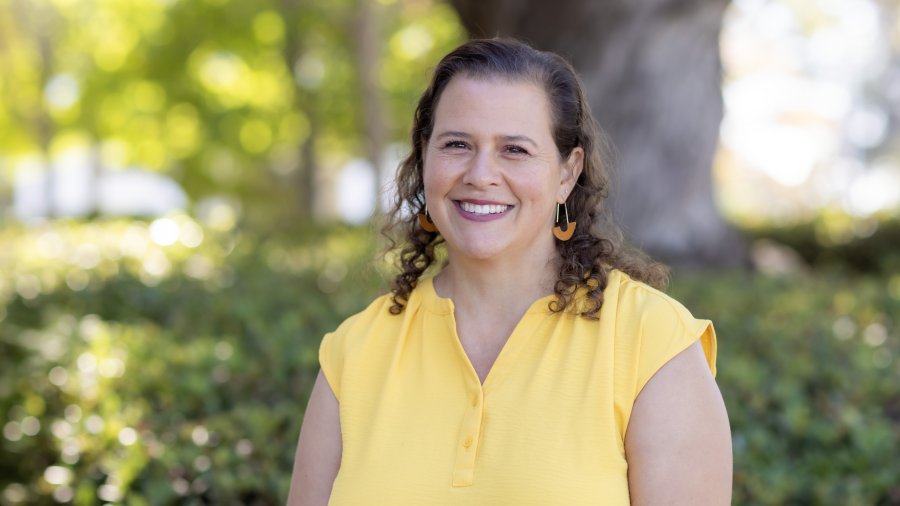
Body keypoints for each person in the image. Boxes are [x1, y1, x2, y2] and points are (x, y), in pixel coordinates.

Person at [287, 38, 732, 505]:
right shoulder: (353, 354)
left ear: (567, 173)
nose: (481, 174)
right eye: (457, 144)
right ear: (425, 156)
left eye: (515, 150)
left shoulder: (652, 342)